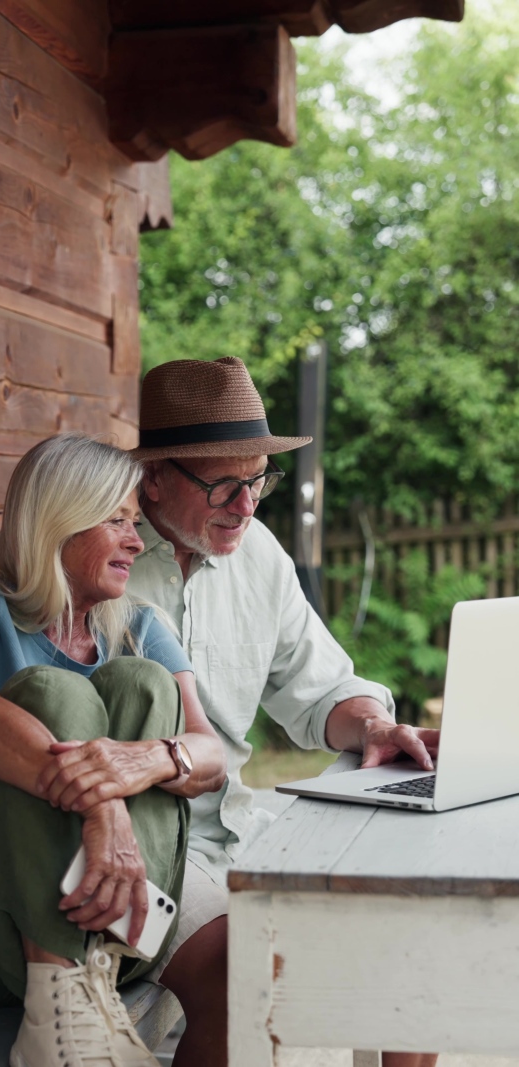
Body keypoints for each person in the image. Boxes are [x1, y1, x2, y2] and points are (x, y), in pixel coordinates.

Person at [127, 355, 440, 1067]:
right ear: (154, 478)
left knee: (416, 938)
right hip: (143, 848)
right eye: (226, 484)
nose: (248, 504)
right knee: (248, 976)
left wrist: (373, 725)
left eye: (258, 480)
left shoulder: (257, 553)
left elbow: (321, 685)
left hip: (240, 826)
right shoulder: (99, 558)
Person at [0, 432, 227, 1067]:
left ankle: (86, 974)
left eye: (135, 523)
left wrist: (146, 760)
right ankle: (59, 1008)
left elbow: (210, 752)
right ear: (58, 519)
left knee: (140, 684)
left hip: (118, 925)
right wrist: (102, 807)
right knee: (49, 694)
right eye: (116, 520)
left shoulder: (139, 627)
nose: (137, 542)